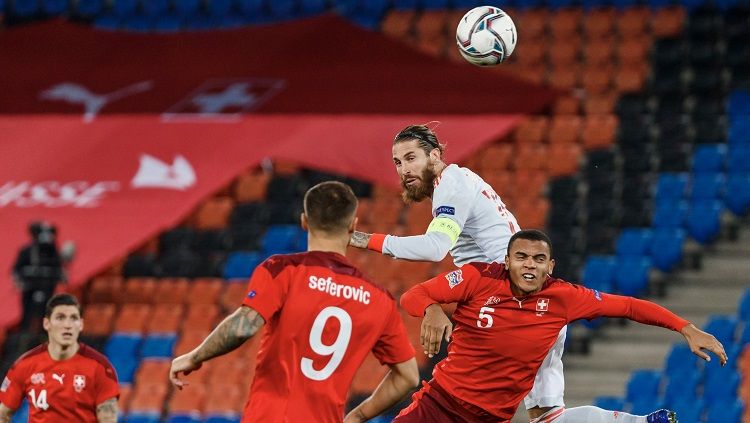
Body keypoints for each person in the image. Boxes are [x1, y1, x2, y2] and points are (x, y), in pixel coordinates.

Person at [348, 124, 665, 422]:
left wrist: (361, 239)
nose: (404, 169)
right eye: (397, 162)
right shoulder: (459, 184)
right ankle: (639, 420)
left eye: (411, 158)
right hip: (540, 306)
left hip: (507, 304)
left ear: (435, 155)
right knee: (548, 417)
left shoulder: (452, 182)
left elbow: (434, 248)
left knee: (453, 399)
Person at [395, 229, 727, 423]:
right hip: (438, 404)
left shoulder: (564, 296)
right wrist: (432, 309)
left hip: (490, 418)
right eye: (522, 257)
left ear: (550, 265)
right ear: (507, 261)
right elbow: (413, 295)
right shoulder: (477, 277)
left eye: (539, 260)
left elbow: (627, 306)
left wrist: (685, 327)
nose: (529, 265)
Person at [169, 181, 419, 422]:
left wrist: (195, 357)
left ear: (304, 221)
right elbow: (408, 377)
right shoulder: (379, 299)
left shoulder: (283, 270)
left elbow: (243, 327)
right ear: (353, 226)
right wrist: (358, 416)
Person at [0, 294, 120, 423]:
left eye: (73, 318)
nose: (67, 325)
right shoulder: (25, 364)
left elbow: (108, 418)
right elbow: (3, 414)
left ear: (81, 325)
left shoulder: (100, 367)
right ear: (46, 323)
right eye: (60, 318)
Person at [12, 221, 67, 332]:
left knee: (46, 311)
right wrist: (20, 279)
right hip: (29, 288)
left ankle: (44, 336)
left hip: (47, 288)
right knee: (27, 314)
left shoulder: (53, 251)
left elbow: (60, 268)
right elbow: (16, 269)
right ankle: (25, 335)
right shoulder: (27, 251)